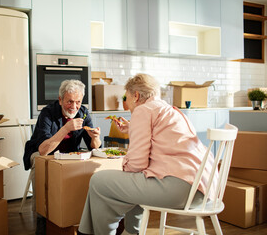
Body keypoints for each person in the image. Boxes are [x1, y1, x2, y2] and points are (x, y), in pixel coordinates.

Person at [78, 74, 218, 235]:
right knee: (138, 180)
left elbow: (137, 164)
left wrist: (124, 170)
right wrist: (133, 128)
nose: (127, 104)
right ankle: (130, 232)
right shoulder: (170, 110)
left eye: (127, 98)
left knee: (98, 181)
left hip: (181, 189)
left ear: (136, 96)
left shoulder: (142, 110)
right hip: (203, 189)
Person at [23, 79, 101, 234]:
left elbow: (95, 146)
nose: (74, 107)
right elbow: (44, 150)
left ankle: (74, 212)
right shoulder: (47, 113)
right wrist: (66, 128)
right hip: (41, 153)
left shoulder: (83, 112)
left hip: (68, 156)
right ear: (60, 100)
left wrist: (95, 137)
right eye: (69, 102)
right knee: (40, 164)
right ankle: (42, 216)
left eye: (77, 102)